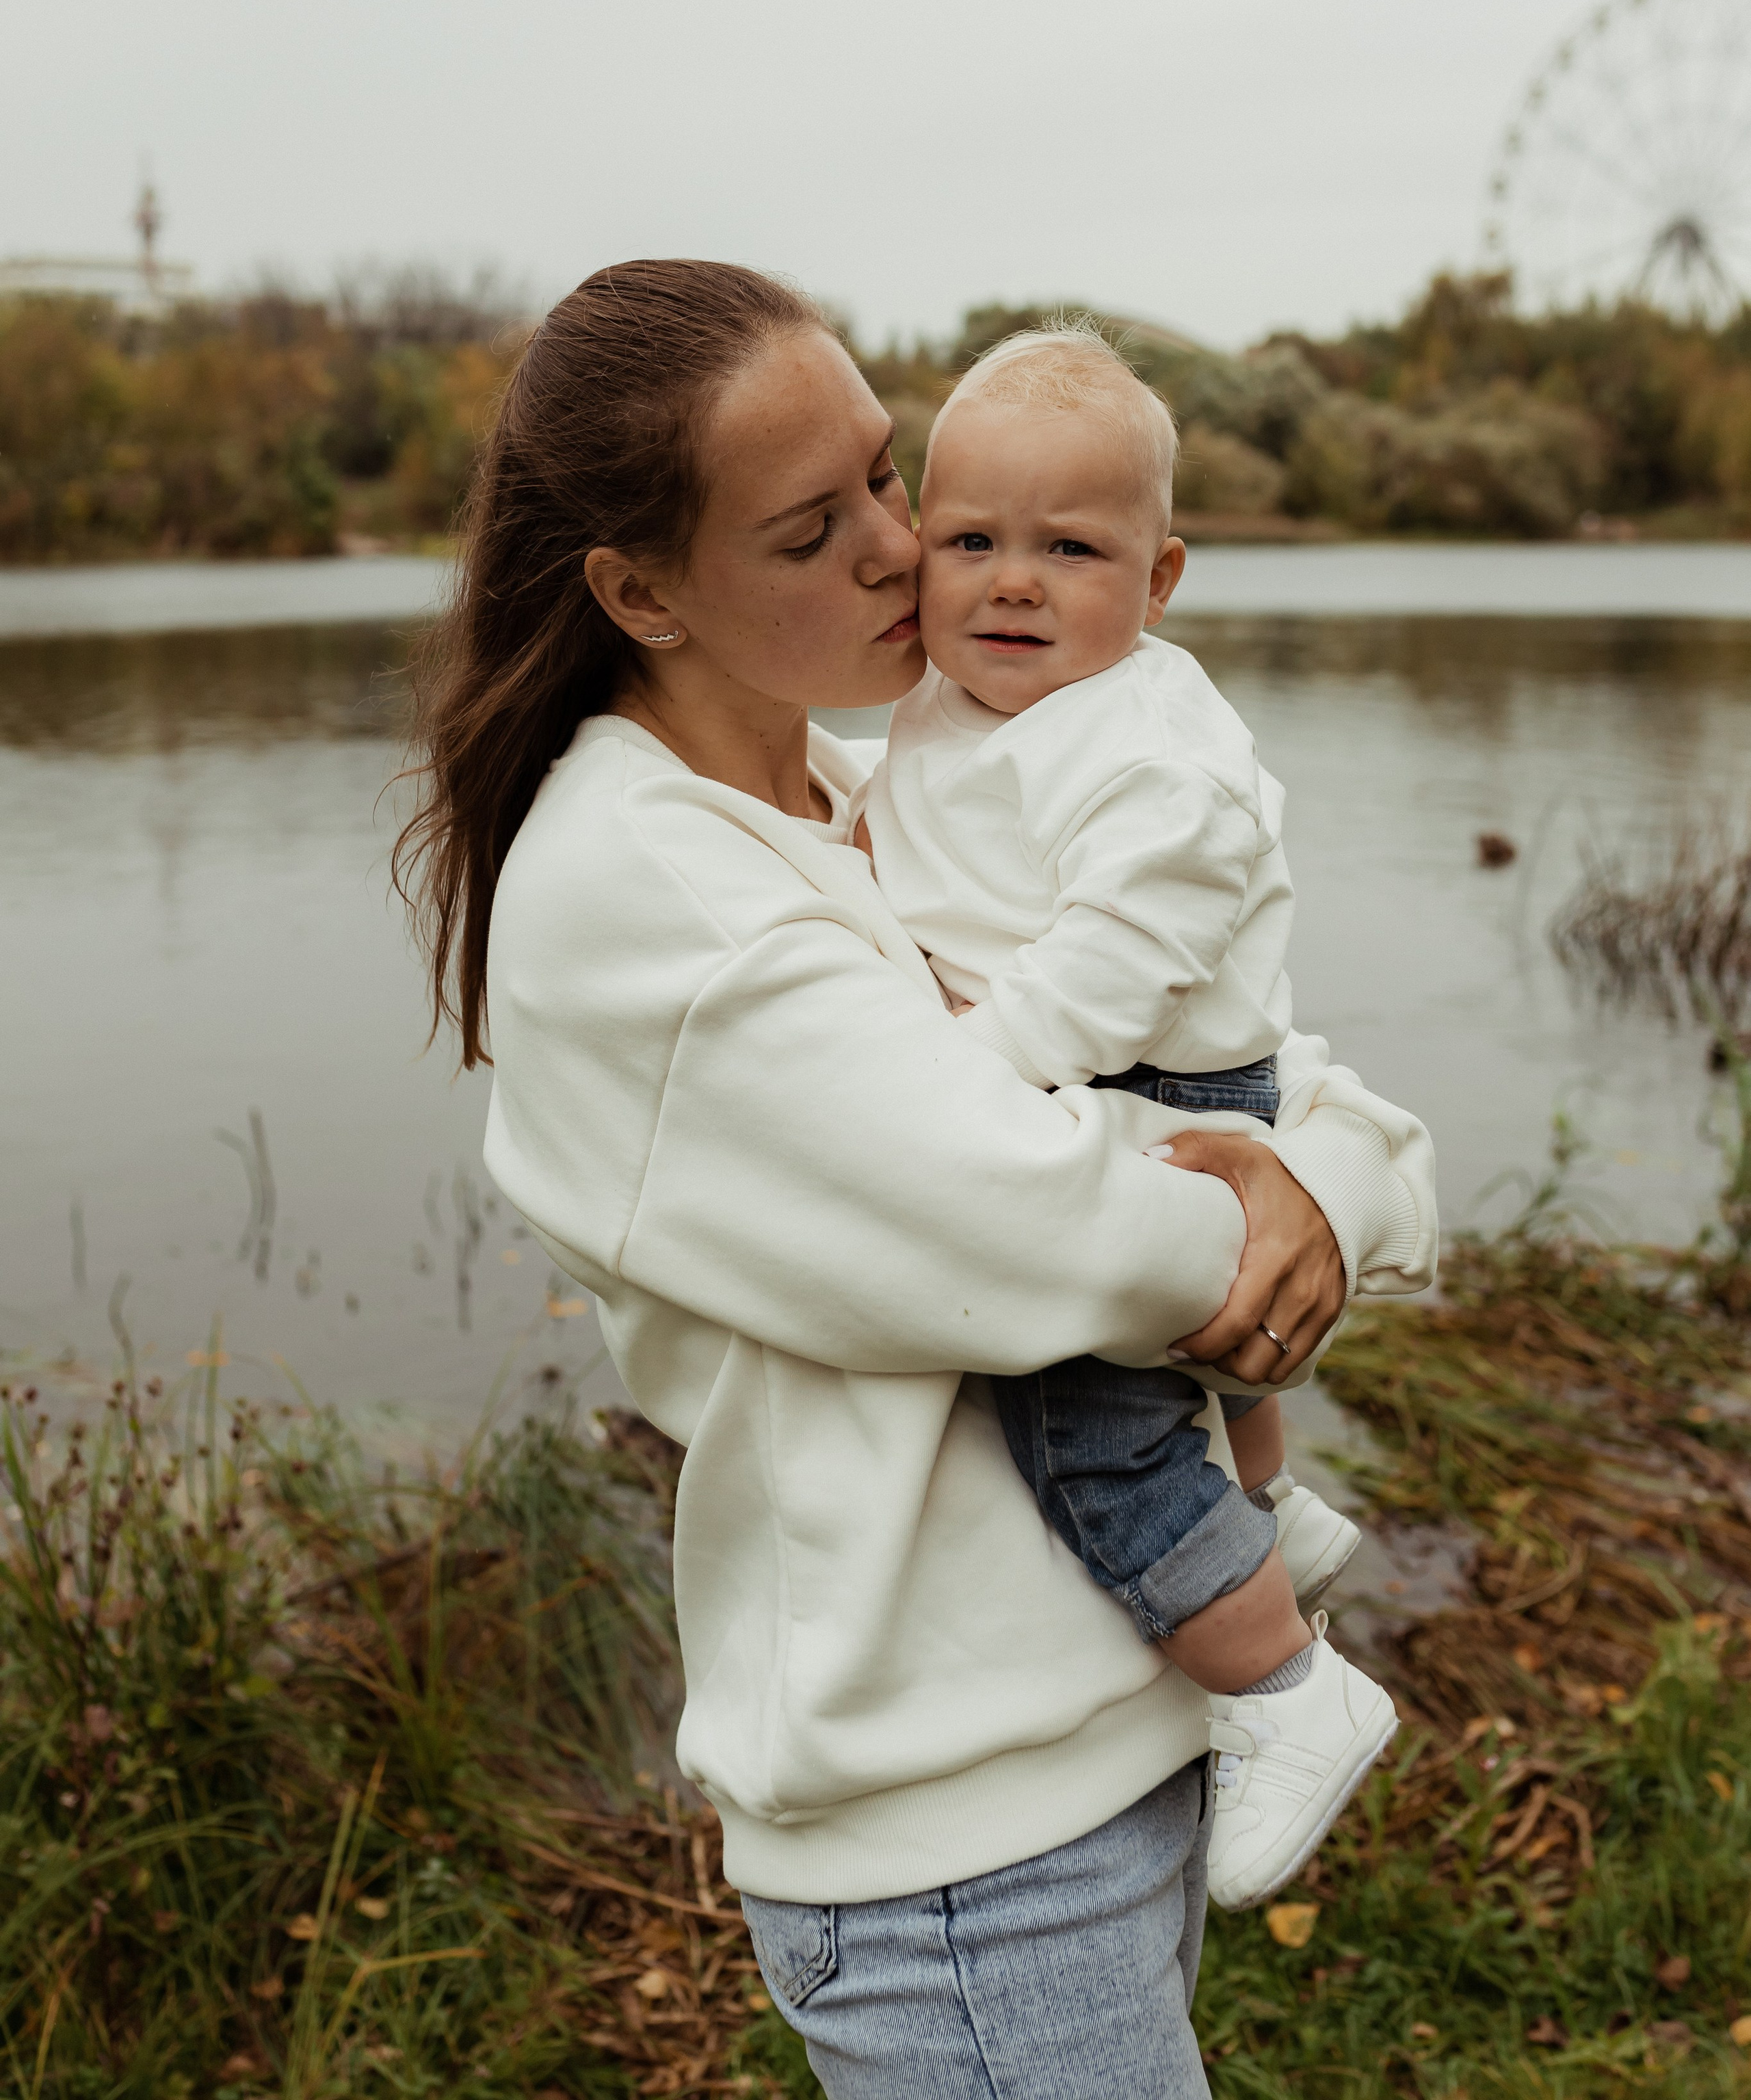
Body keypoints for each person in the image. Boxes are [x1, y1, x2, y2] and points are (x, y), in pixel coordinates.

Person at [396, 260, 1438, 2100]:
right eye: (816, 529)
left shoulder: (867, 787)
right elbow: (1047, 1224)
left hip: (1113, 1733)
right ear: (643, 594)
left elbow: (1234, 1052)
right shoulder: (650, 897)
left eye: (887, 475)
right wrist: (1303, 1200)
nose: (906, 550)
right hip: (956, 1839)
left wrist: (1336, 1185)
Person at [858, 323, 1408, 1913]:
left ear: (1158, 581)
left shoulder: (1151, 751)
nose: (1011, 584)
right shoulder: (965, 702)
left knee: (1084, 1430)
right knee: (1178, 1384)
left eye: (1070, 550)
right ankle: (1264, 1511)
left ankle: (1287, 1690)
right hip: (1114, 1069)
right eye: (971, 541)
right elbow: (928, 820)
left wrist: (974, 1061)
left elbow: (1115, 959)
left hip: (1150, 1085)